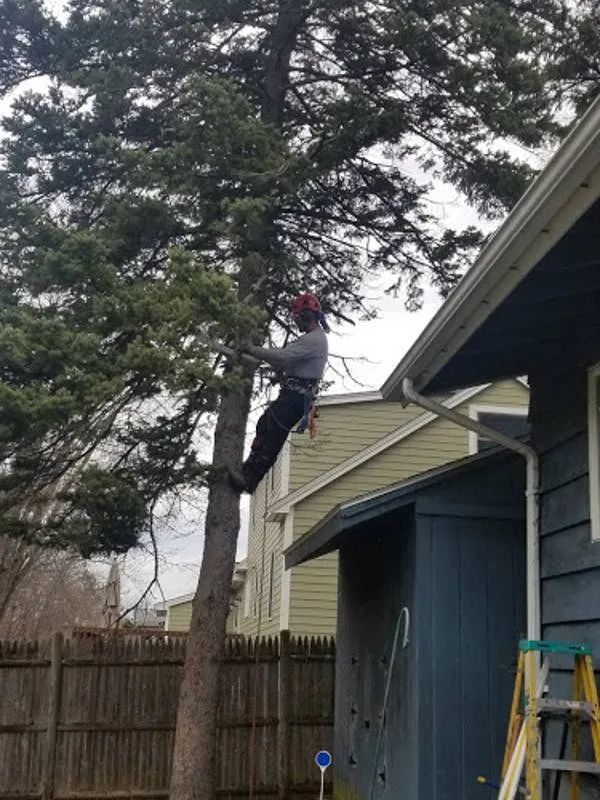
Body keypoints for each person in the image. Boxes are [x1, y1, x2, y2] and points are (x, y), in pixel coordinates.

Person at [229, 293, 329, 494]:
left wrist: (251, 349)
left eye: (297, 317)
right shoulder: (311, 339)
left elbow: (282, 358)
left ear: (305, 316)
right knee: (264, 425)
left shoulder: (314, 340)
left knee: (272, 436)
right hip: (293, 395)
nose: (295, 322)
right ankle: (247, 471)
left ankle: (249, 480)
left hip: (296, 398)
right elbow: (285, 363)